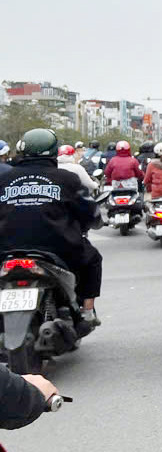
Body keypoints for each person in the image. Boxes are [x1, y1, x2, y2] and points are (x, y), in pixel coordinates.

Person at [0, 129, 102, 326]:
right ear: (55, 152)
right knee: (93, 259)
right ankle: (87, 312)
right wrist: (92, 222)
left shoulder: (3, 179)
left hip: (6, 249)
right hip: (57, 249)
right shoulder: (67, 179)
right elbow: (89, 212)